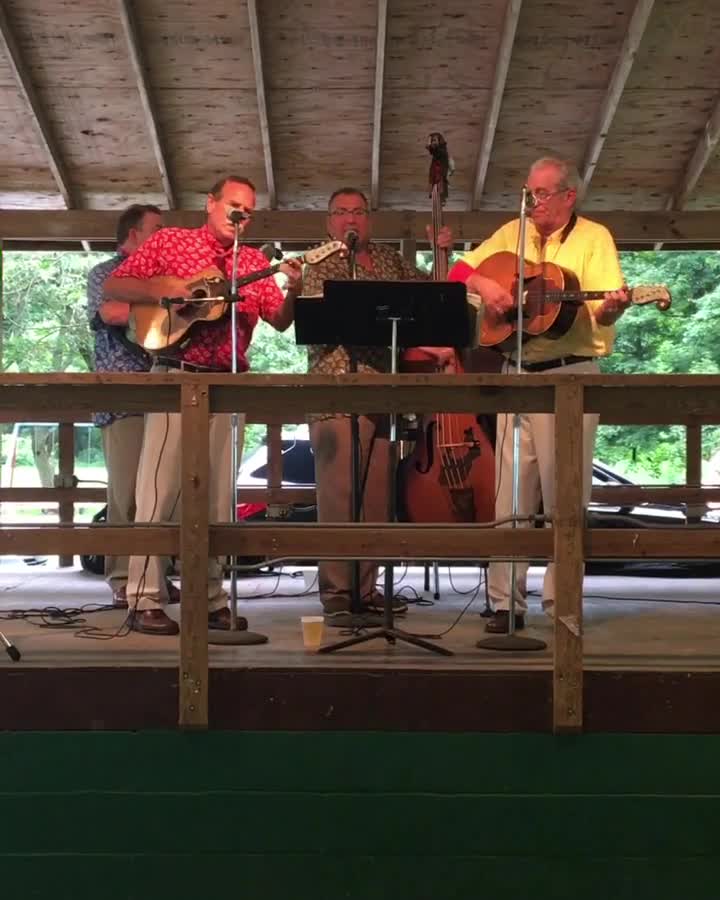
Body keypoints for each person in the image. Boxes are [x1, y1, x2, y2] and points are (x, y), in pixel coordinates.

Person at [102, 175, 302, 635]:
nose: (239, 216)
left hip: (228, 384)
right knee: (159, 491)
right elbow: (116, 284)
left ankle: (210, 600)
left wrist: (294, 286)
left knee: (217, 499)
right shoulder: (172, 243)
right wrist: (163, 290)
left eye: (247, 210)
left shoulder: (251, 261)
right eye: (232, 205)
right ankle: (145, 598)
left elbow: (279, 321)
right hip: (175, 374)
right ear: (210, 204)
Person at [449, 157, 630, 634]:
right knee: (511, 492)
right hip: (517, 370)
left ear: (570, 196)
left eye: (543, 195)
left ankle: (562, 603)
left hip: (570, 376)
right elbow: (458, 269)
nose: (533, 202)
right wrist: (488, 286)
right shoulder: (515, 231)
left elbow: (604, 315)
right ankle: (504, 603)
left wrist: (612, 309)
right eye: (529, 193)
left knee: (564, 496)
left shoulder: (595, 238)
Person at [302, 187, 454, 628]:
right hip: (335, 391)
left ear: (369, 219)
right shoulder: (317, 261)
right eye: (341, 212)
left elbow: (432, 295)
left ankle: (365, 592)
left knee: (374, 497)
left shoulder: (389, 260)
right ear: (329, 221)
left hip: (385, 392)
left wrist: (440, 254)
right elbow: (337, 319)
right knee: (339, 496)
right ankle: (336, 594)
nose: (351, 219)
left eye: (359, 212)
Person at [86, 203, 174, 609]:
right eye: (157, 229)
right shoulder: (105, 274)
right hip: (122, 395)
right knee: (126, 493)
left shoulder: (161, 278)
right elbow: (113, 312)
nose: (165, 236)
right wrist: (167, 303)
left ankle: (153, 575)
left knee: (160, 492)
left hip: (164, 392)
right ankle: (122, 575)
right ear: (135, 235)